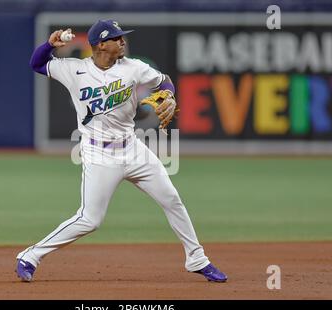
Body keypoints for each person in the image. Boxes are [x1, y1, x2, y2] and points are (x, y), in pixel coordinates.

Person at [16, 19, 227, 283]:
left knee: (172, 199)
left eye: (122, 37)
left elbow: (164, 81)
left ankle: (197, 259)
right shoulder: (74, 69)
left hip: (133, 148)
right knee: (89, 219)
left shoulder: (133, 68)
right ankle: (30, 256)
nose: (123, 41)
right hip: (99, 155)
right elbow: (37, 64)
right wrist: (49, 45)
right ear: (101, 44)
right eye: (117, 38)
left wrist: (170, 97)